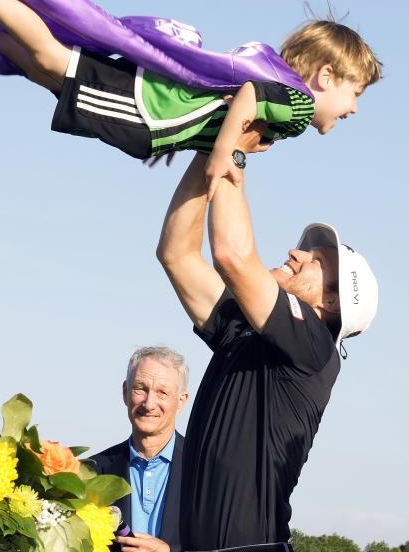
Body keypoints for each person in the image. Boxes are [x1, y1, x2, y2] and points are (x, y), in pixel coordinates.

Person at [0, 0, 381, 198]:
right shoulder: (294, 106)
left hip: (152, 109)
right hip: (142, 109)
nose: (355, 107)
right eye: (355, 92)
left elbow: (226, 102)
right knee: (47, 57)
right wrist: (221, 155)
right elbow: (249, 94)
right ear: (326, 77)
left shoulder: (283, 91)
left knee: (40, 69)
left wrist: (191, 140)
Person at [154, 148, 379, 551]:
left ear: (330, 305)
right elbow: (176, 254)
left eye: (314, 261)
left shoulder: (315, 346)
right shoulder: (245, 331)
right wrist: (208, 147)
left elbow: (232, 256)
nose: (295, 253)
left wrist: (233, 152)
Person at [91, 347, 189, 552]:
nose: (149, 403)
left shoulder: (208, 471)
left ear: (181, 402)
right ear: (126, 392)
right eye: (140, 389)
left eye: (162, 392)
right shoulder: (90, 473)